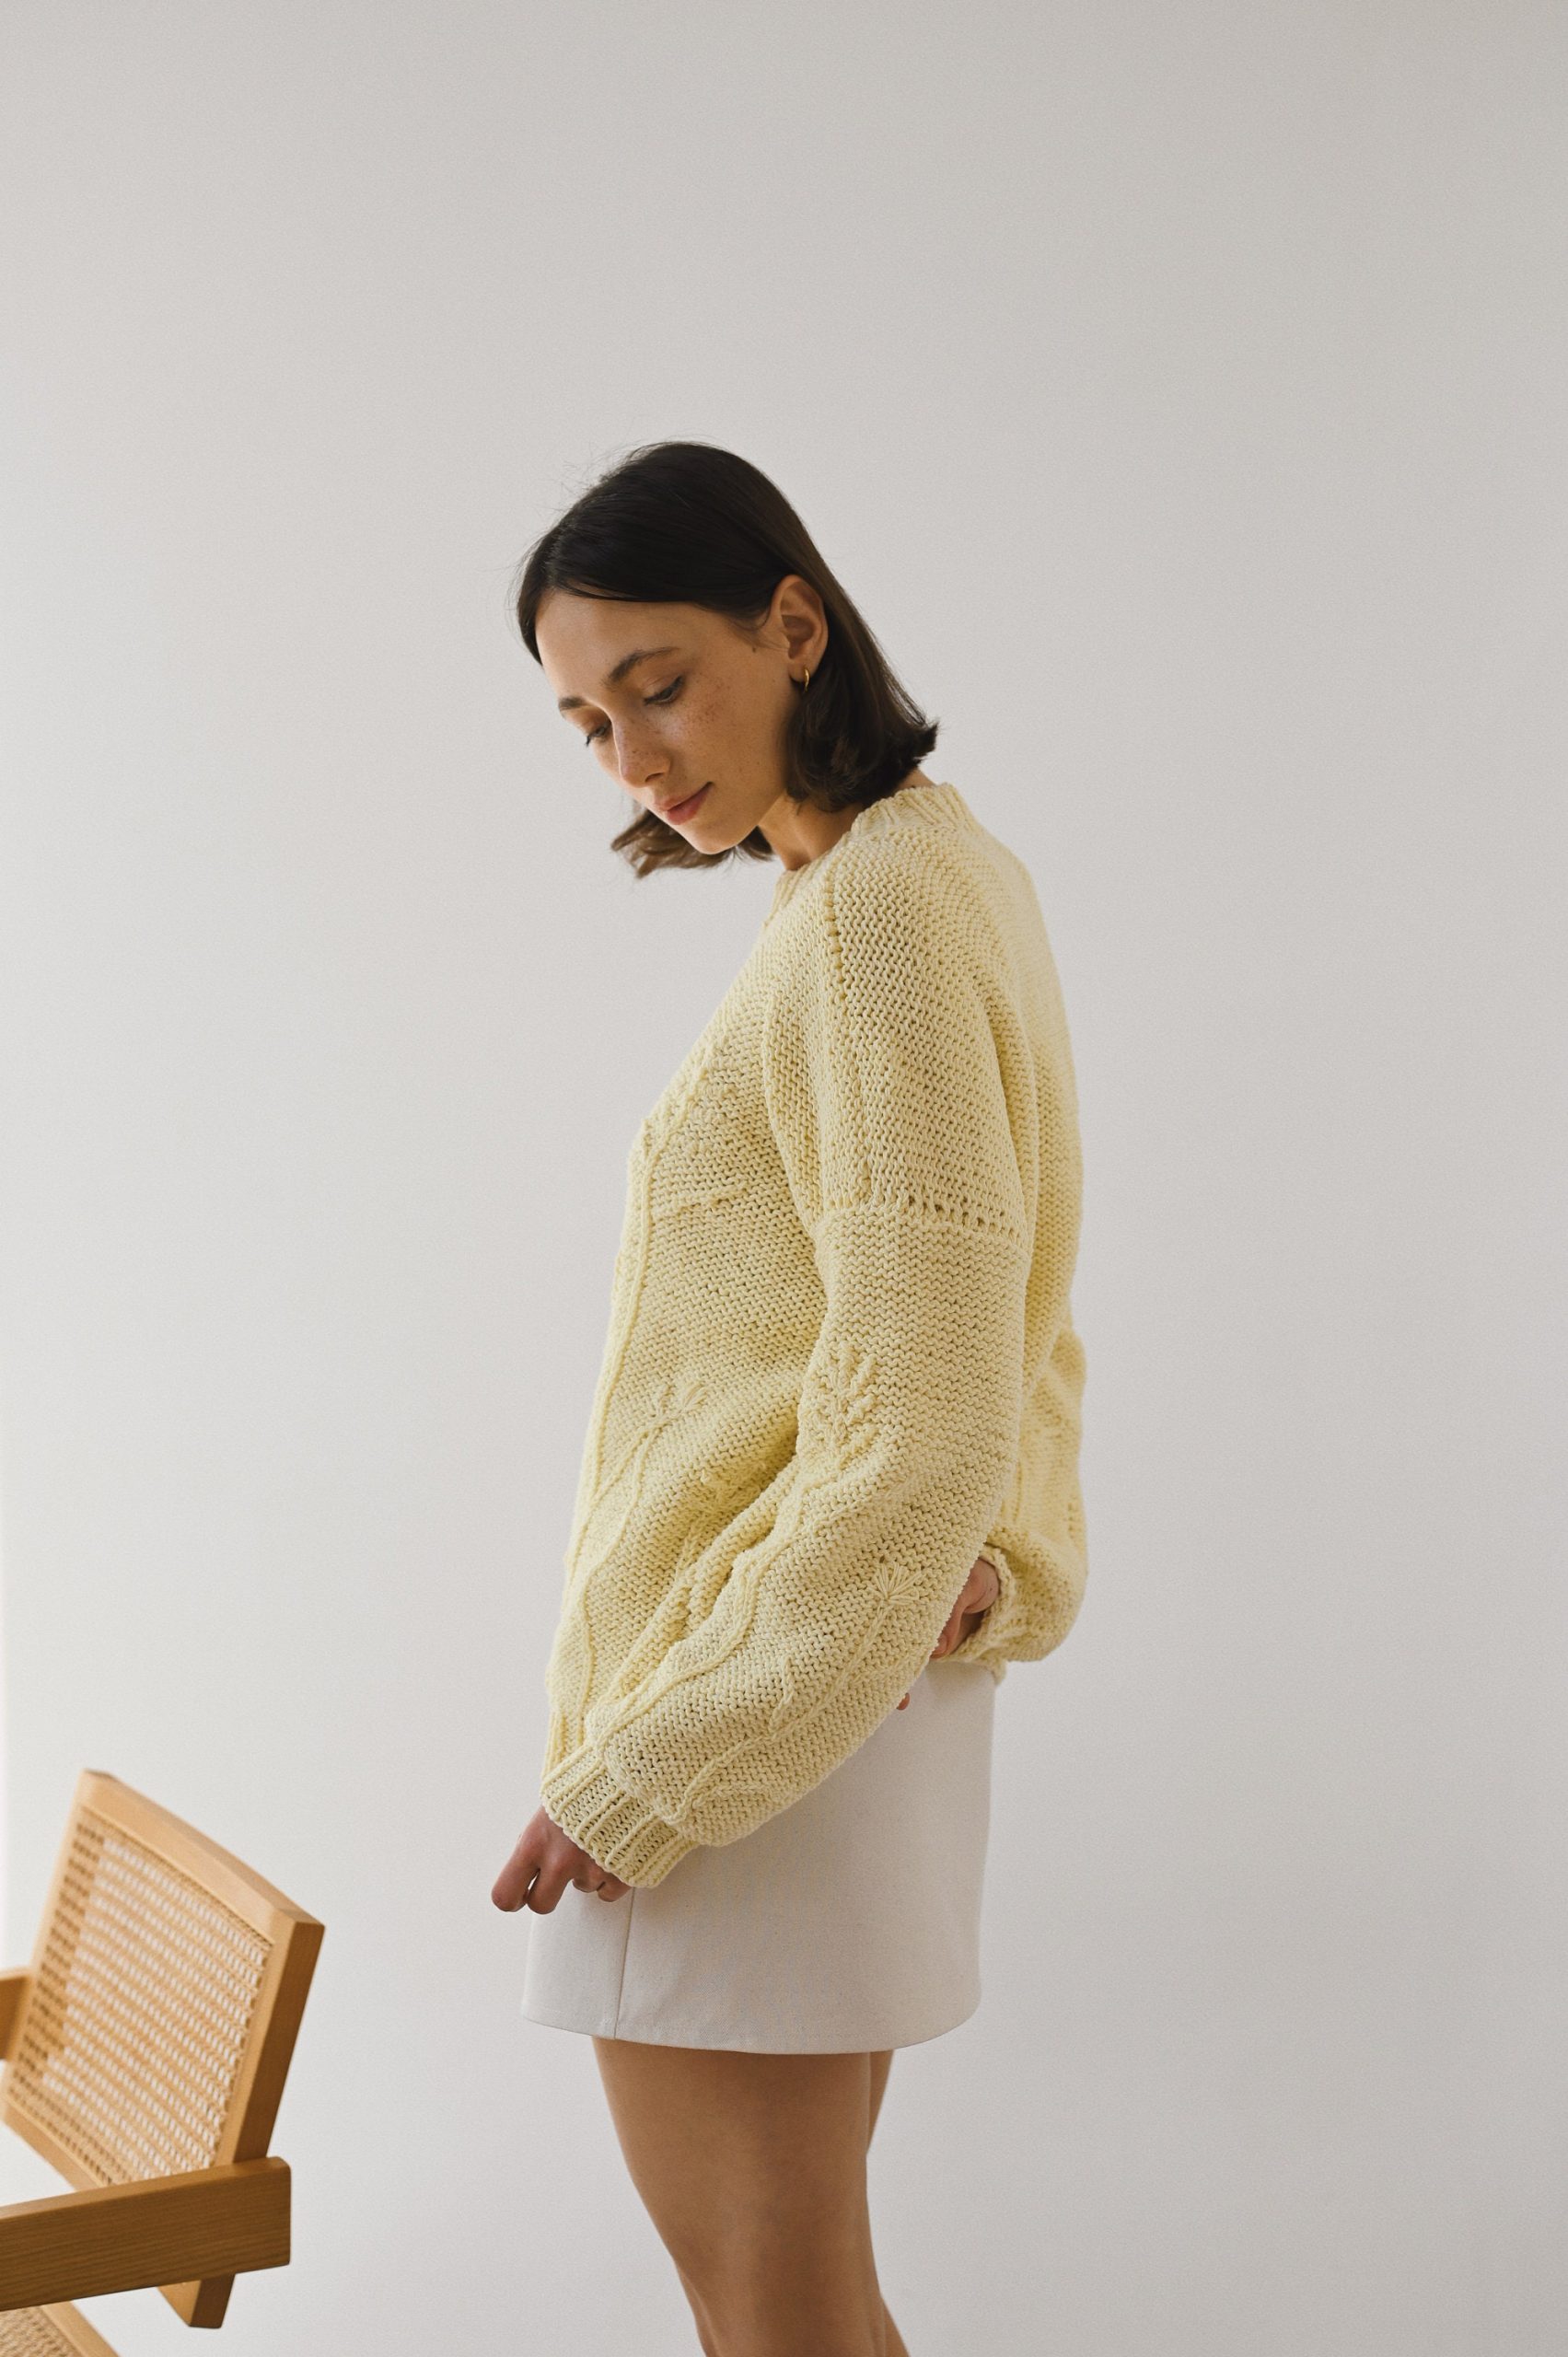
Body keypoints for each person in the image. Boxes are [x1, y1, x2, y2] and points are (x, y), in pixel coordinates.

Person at [491, 440, 1088, 2356]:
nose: (634, 758)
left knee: (774, 2309)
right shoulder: (923, 871)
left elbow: (931, 1396)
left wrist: (661, 1765)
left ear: (795, 624)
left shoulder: (878, 918)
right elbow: (1005, 1321)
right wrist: (990, 1558)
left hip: (764, 1709)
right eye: (589, 724)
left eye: (659, 684)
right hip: (824, 1682)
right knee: (801, 2303)